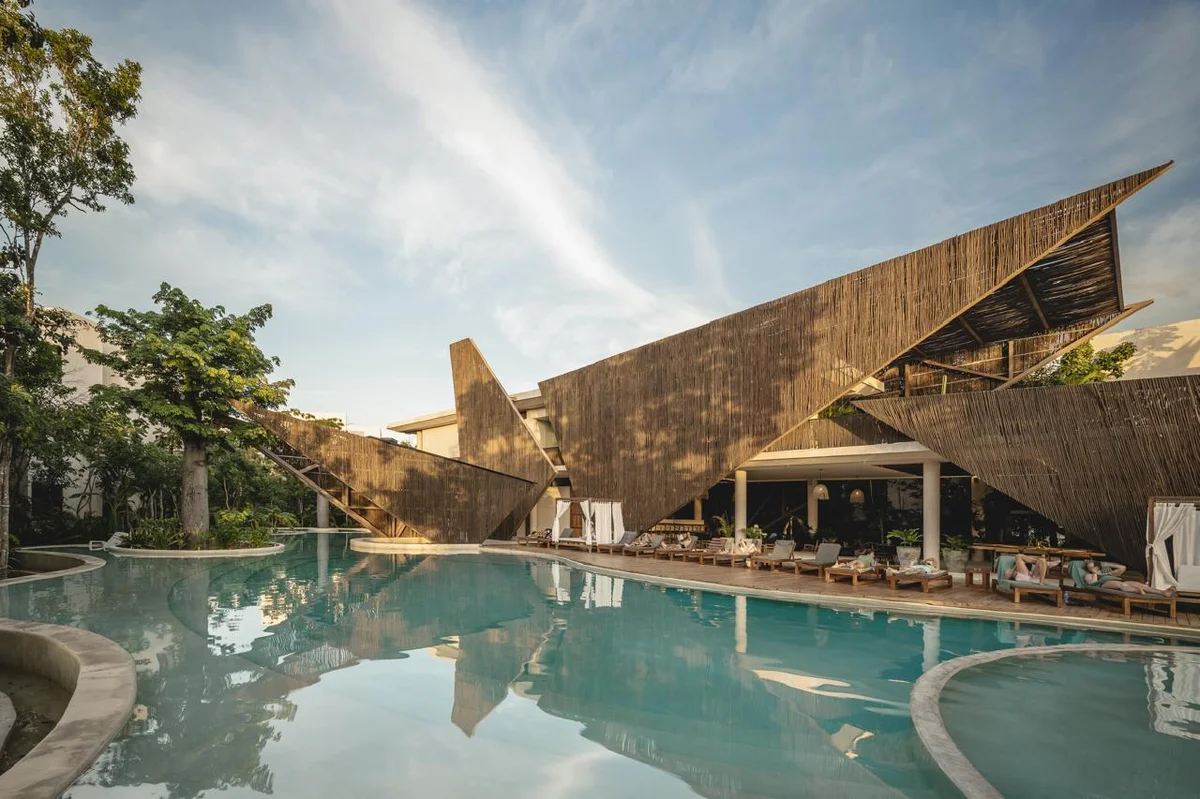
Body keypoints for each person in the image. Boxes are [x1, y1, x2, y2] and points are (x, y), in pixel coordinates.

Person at [1083, 560, 1173, 595]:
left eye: (1094, 566)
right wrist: (1095, 573)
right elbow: (1092, 584)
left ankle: (1162, 592)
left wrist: (1106, 564)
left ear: (1098, 566)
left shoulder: (1106, 572)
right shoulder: (1088, 575)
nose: (1092, 568)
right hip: (1103, 583)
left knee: (1140, 584)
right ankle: (1138, 591)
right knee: (1122, 585)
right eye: (1090, 567)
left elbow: (1123, 568)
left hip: (1116, 580)